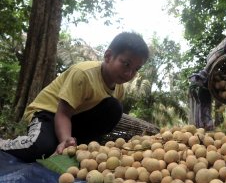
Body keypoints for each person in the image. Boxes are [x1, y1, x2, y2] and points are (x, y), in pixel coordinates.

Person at [0, 32, 149, 162]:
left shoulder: (119, 89)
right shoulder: (83, 74)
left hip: (74, 119)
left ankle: (79, 146)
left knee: (114, 108)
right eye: (126, 64)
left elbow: (98, 119)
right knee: (41, 148)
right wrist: (65, 141)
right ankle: (3, 144)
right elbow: (63, 113)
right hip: (48, 114)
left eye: (136, 69)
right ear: (108, 56)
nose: (129, 74)